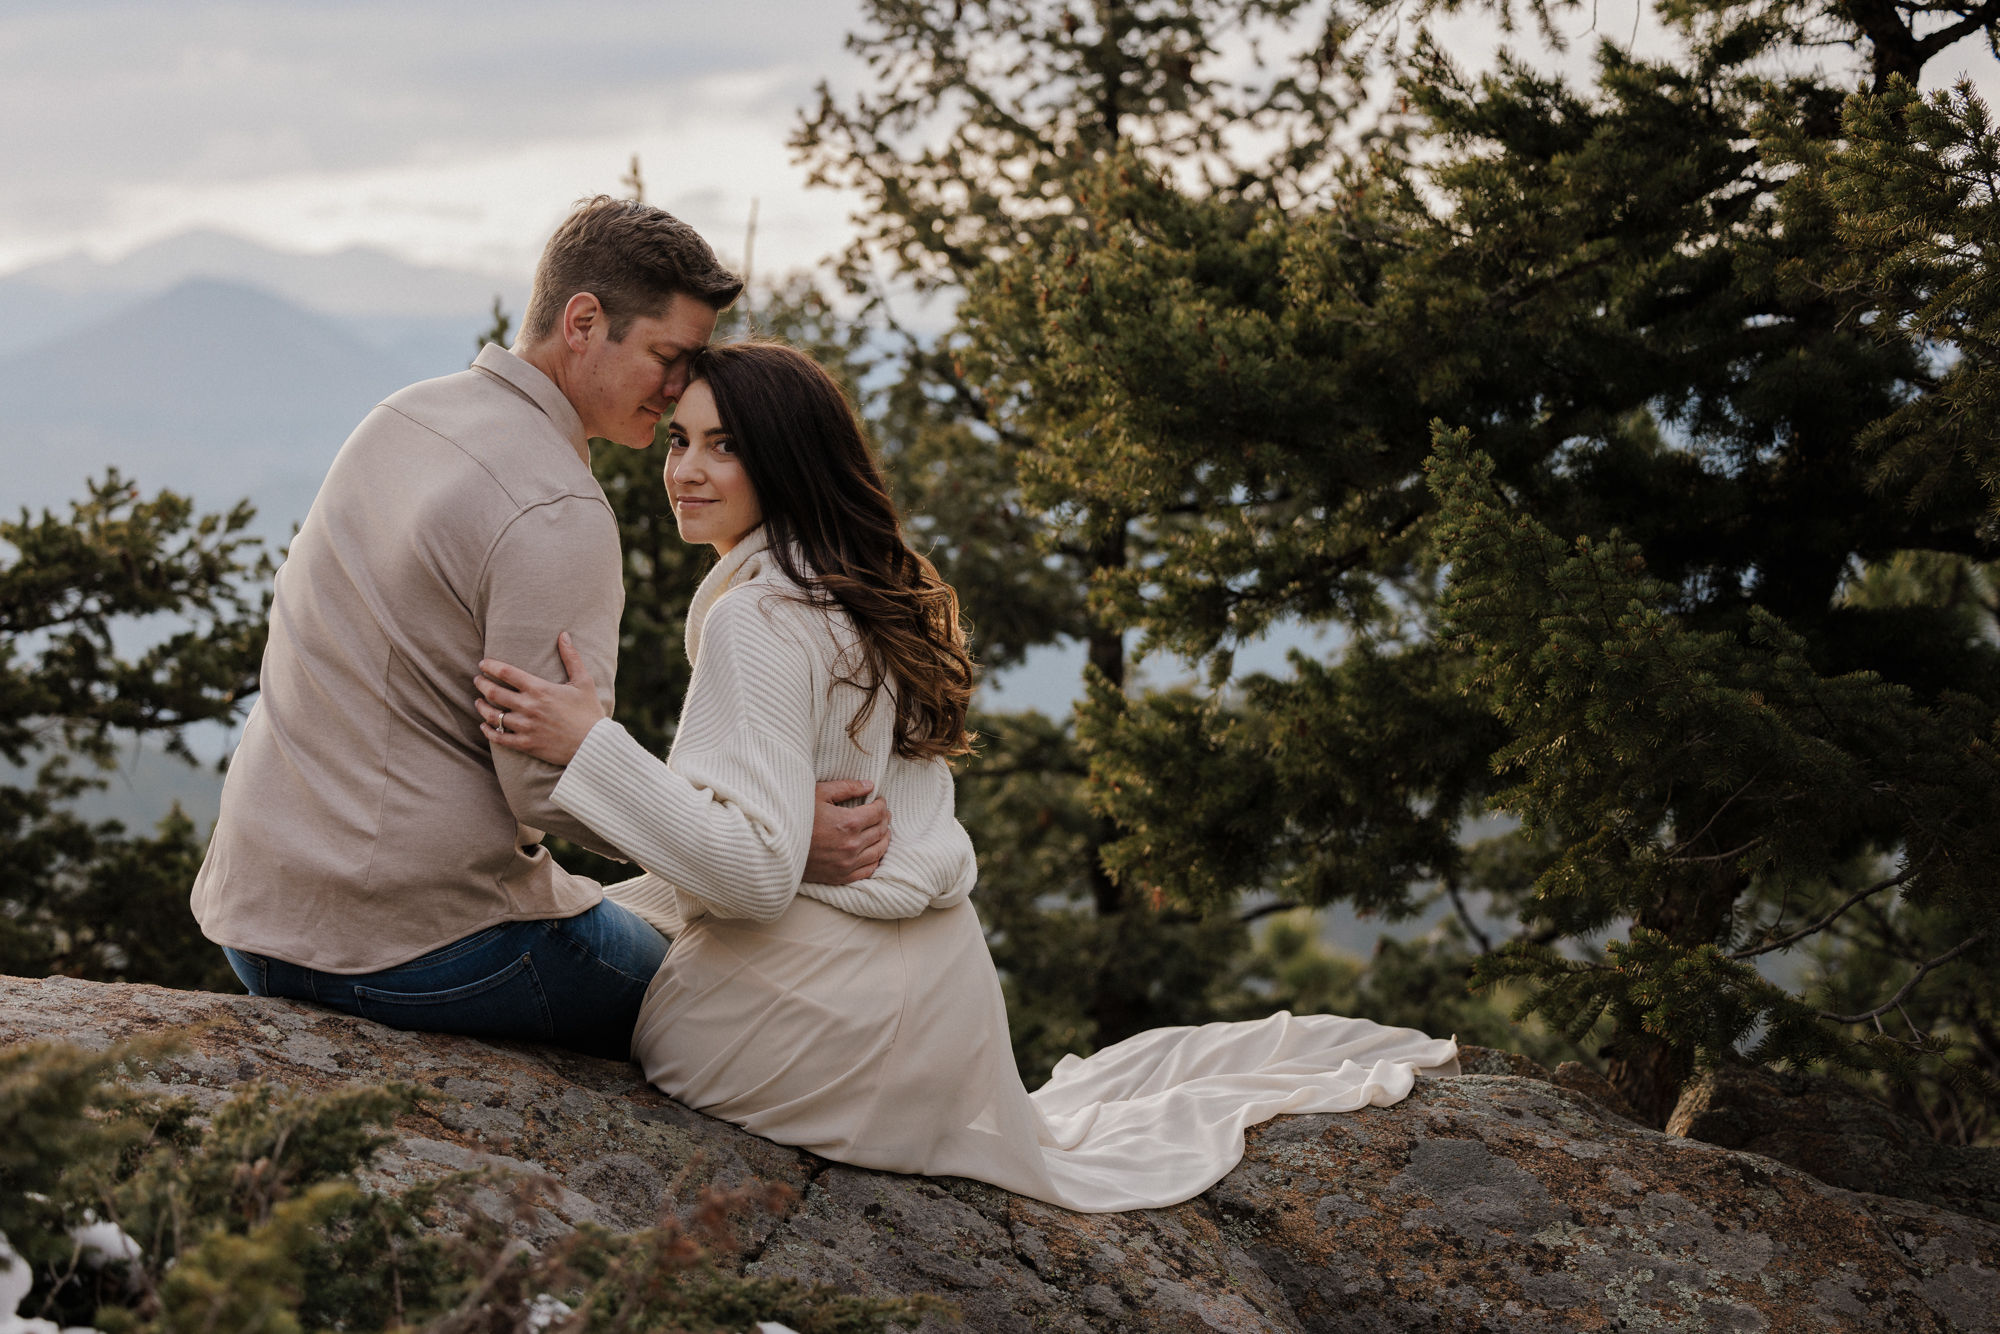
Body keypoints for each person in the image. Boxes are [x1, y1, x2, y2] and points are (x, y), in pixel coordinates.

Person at [471, 340, 1459, 1213]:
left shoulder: (755, 615)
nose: (685, 469)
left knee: (578, 956)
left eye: (722, 445)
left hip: (807, 1032)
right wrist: (783, 831)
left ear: (784, 462)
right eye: (680, 439)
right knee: (623, 910)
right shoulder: (851, 583)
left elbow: (751, 873)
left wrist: (588, 741)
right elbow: (800, 833)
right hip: (937, 1019)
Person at [189, 199, 890, 1061]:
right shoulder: (556, 510)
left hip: (257, 923)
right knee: (755, 1002)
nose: (681, 389)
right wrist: (769, 840)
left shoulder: (403, 416)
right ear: (584, 322)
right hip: (415, 950)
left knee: (637, 911)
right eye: (669, 357)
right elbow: (548, 781)